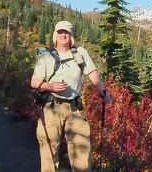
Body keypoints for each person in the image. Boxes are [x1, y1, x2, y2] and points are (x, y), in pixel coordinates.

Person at [31, 20, 111, 172]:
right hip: (51, 108)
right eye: (60, 32)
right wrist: (50, 86)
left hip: (74, 108)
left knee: (82, 148)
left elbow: (92, 74)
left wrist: (103, 92)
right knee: (49, 150)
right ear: (55, 35)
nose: (63, 35)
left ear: (71, 36)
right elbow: (34, 82)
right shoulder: (45, 56)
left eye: (66, 32)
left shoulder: (80, 53)